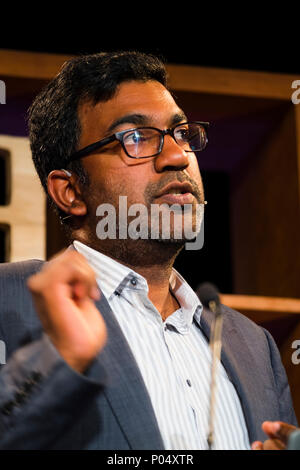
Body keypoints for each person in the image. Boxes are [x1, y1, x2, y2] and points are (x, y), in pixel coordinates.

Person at [0, 51, 297, 450]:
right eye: (135, 138)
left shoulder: (254, 346)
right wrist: (58, 360)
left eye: (181, 133)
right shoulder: (8, 299)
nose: (178, 157)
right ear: (70, 191)